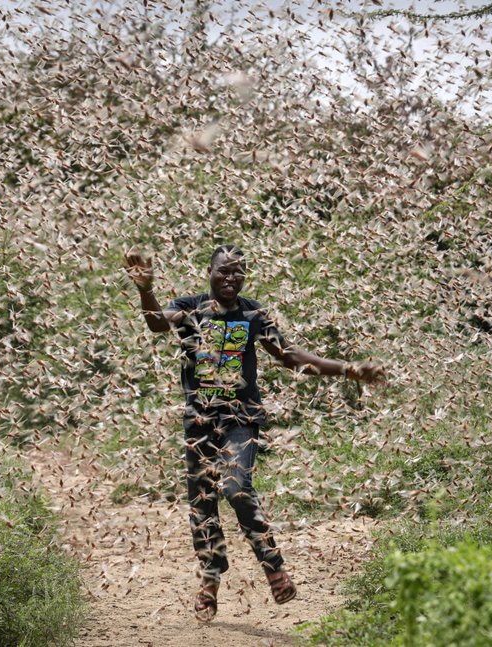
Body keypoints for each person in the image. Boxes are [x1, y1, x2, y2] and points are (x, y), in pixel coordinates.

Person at [125, 244, 384, 622]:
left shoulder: (253, 314)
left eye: (237, 272)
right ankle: (210, 582)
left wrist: (346, 369)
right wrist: (145, 289)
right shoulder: (190, 306)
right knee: (202, 502)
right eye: (223, 271)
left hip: (240, 418)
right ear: (209, 273)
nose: (230, 278)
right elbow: (156, 322)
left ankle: (274, 567)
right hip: (199, 420)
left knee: (236, 487)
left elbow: (291, 357)